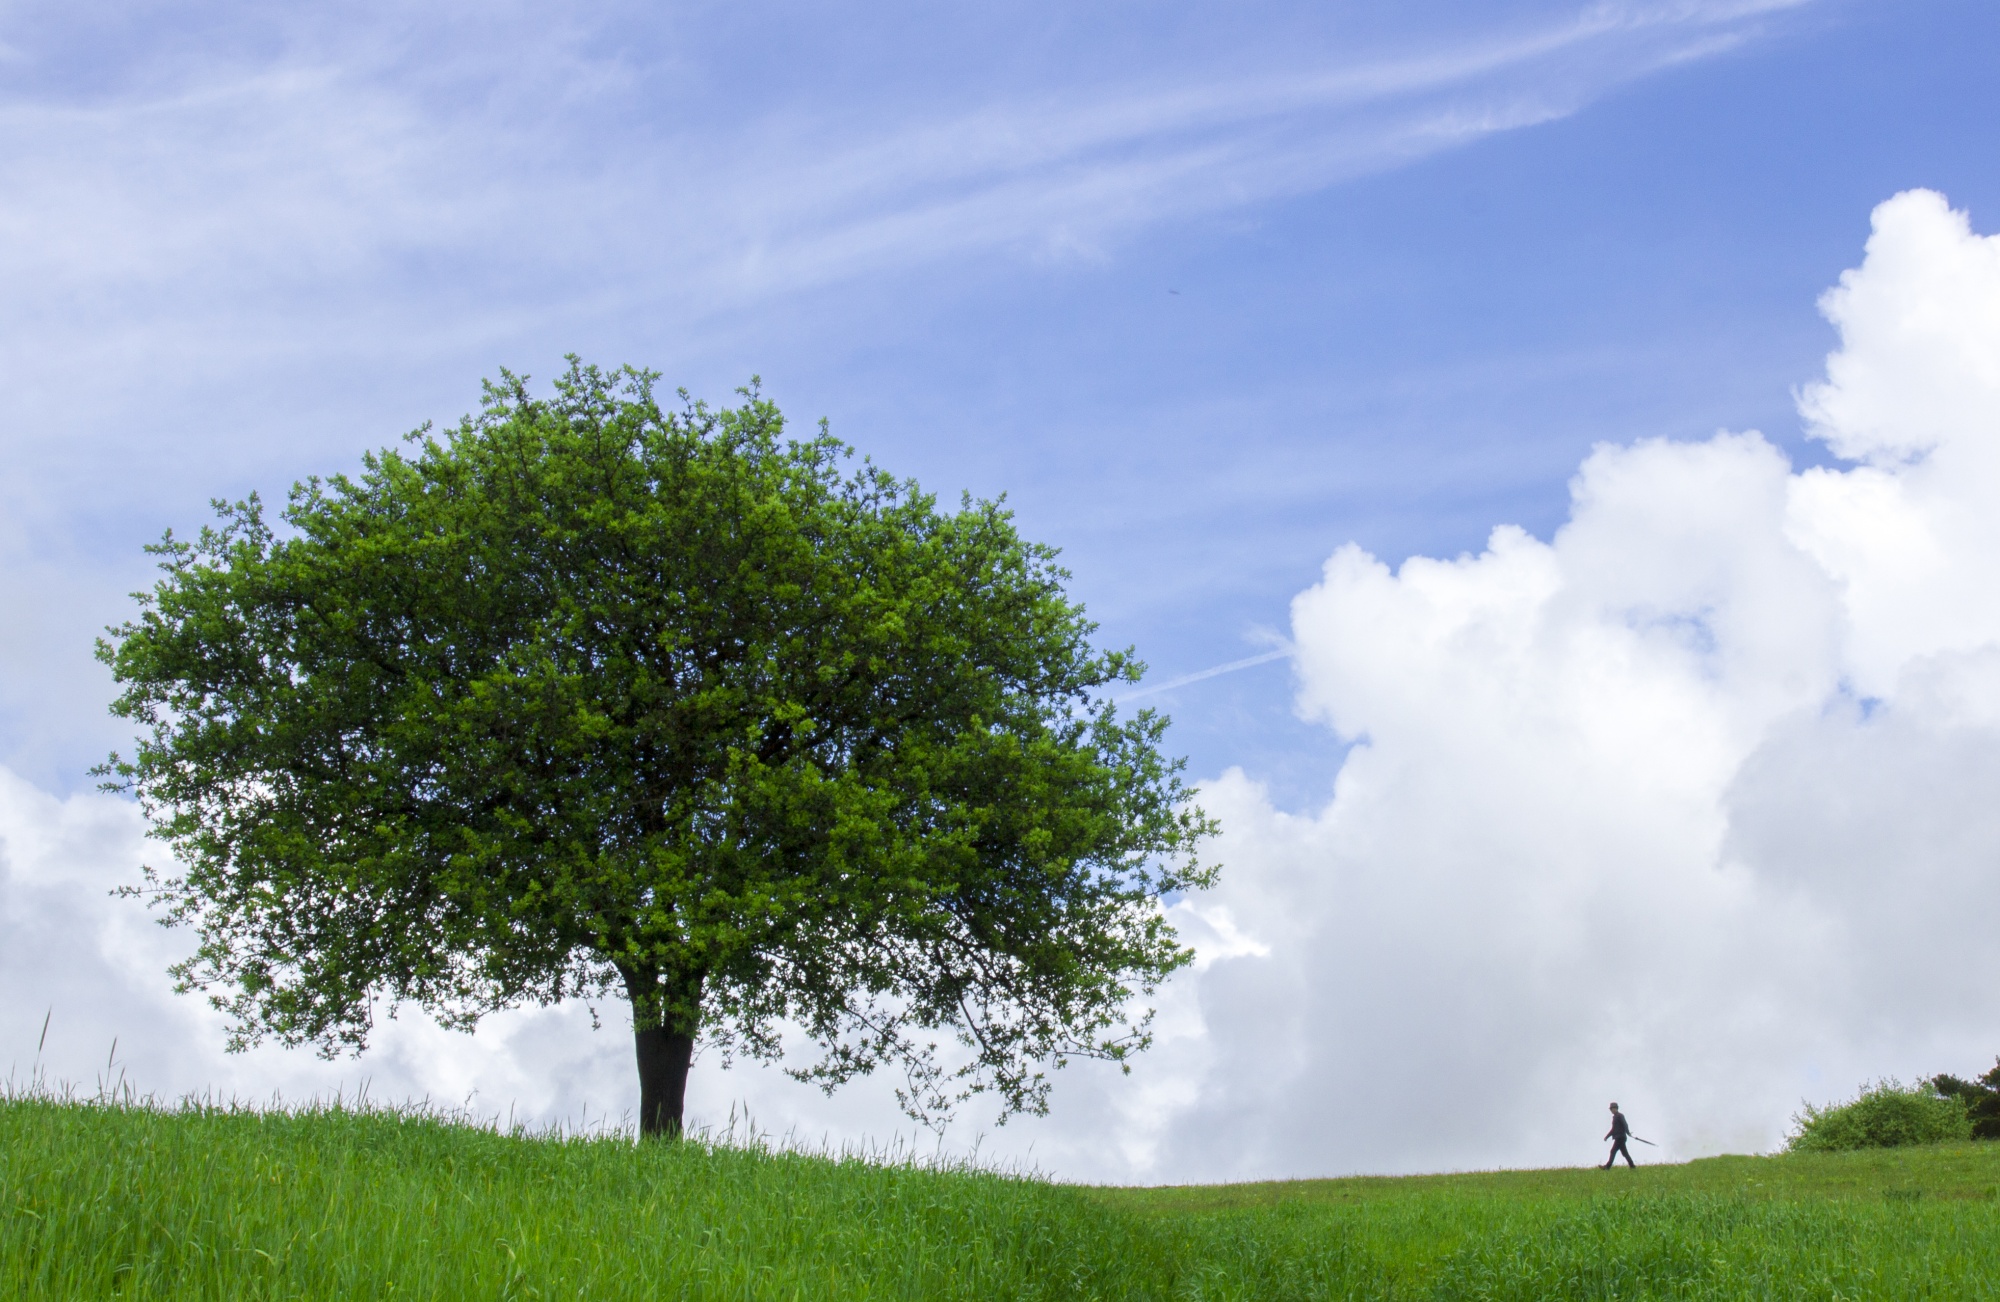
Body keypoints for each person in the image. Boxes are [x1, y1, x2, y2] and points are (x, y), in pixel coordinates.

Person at [1602, 1102, 1635, 1169]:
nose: (1612, 1110)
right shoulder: (1614, 1117)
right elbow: (1613, 1129)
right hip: (1619, 1137)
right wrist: (1607, 1136)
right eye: (1611, 1109)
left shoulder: (1620, 1116)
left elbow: (1625, 1124)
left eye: (1613, 1108)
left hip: (1620, 1137)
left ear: (1616, 1108)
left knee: (1613, 1151)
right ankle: (1632, 1166)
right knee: (1625, 1153)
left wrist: (1628, 1132)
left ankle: (1607, 1167)